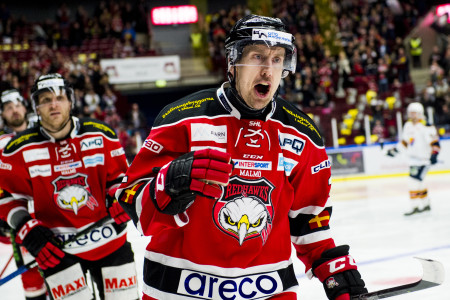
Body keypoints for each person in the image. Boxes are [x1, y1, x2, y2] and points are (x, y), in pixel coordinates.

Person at [116, 14, 367, 300]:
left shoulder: (302, 134)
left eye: (277, 60)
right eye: (258, 57)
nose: (268, 72)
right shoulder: (181, 120)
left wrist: (336, 271)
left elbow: (308, 219)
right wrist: (167, 185)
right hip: (177, 289)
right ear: (233, 63)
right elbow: (131, 202)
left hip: (267, 290)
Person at [0, 74, 139, 300]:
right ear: (36, 106)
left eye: (60, 97)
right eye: (45, 99)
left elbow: (122, 178)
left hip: (110, 241)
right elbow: (5, 196)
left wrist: (118, 196)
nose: (53, 104)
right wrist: (26, 226)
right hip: (56, 251)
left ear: (71, 101)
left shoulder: (101, 134)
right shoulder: (18, 149)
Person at [0, 89, 47, 300]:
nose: (14, 110)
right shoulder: (0, 143)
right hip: (21, 222)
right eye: (8, 108)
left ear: (25, 107)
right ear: (3, 115)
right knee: (32, 280)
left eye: (17, 105)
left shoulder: (44, 133)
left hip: (54, 215)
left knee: (65, 278)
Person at [387, 102, 440, 216]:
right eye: (410, 113)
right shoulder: (408, 125)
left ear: (420, 113)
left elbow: (435, 142)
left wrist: (434, 154)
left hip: (424, 160)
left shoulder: (426, 126)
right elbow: (406, 142)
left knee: (413, 182)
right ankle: (426, 204)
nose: (412, 115)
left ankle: (415, 206)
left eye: (414, 113)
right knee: (420, 183)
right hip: (413, 160)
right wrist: (394, 151)